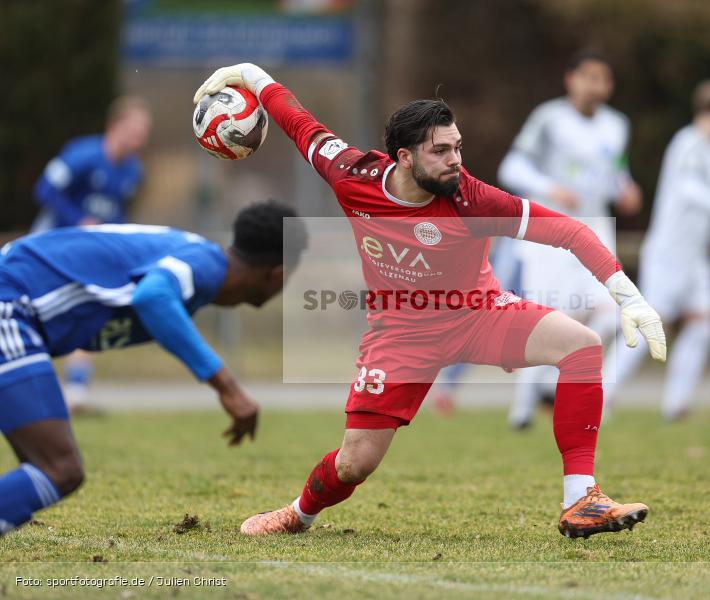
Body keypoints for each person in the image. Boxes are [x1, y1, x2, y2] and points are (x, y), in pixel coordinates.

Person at [193, 63, 666, 539]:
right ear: (404, 157)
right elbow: (298, 122)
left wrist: (630, 298)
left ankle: (581, 499)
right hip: (401, 335)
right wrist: (251, 74)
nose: (455, 160)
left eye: (457, 147)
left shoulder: (472, 200)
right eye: (440, 151)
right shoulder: (351, 174)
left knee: (581, 345)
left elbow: (570, 231)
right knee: (355, 463)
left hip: (478, 314)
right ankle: (299, 514)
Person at [0, 201, 304, 536]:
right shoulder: (205, 266)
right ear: (277, 273)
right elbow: (153, 297)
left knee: (41, 464)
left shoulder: (195, 256)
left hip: (14, 297)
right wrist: (227, 387)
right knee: (58, 469)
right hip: (10, 303)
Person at [496, 49, 643, 429]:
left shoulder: (617, 125)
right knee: (547, 319)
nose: (596, 86)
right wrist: (550, 188)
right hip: (550, 234)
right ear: (570, 79)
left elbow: (615, 173)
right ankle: (523, 409)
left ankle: (559, 389)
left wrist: (626, 189)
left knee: (614, 313)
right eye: (588, 77)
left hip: (595, 231)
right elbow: (511, 167)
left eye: (603, 79)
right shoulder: (550, 119)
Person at [603, 80, 710, 421]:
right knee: (650, 323)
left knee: (703, 323)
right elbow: (689, 189)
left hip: (695, 255)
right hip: (670, 252)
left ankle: (676, 403)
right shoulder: (689, 143)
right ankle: (601, 394)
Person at [31, 97, 153, 413]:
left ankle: (75, 393)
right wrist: (77, 220)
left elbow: (116, 214)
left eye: (143, 132)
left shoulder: (133, 171)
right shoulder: (81, 154)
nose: (139, 138)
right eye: (134, 130)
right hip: (50, 248)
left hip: (87, 257)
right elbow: (44, 189)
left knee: (90, 313)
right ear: (115, 125)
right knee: (33, 318)